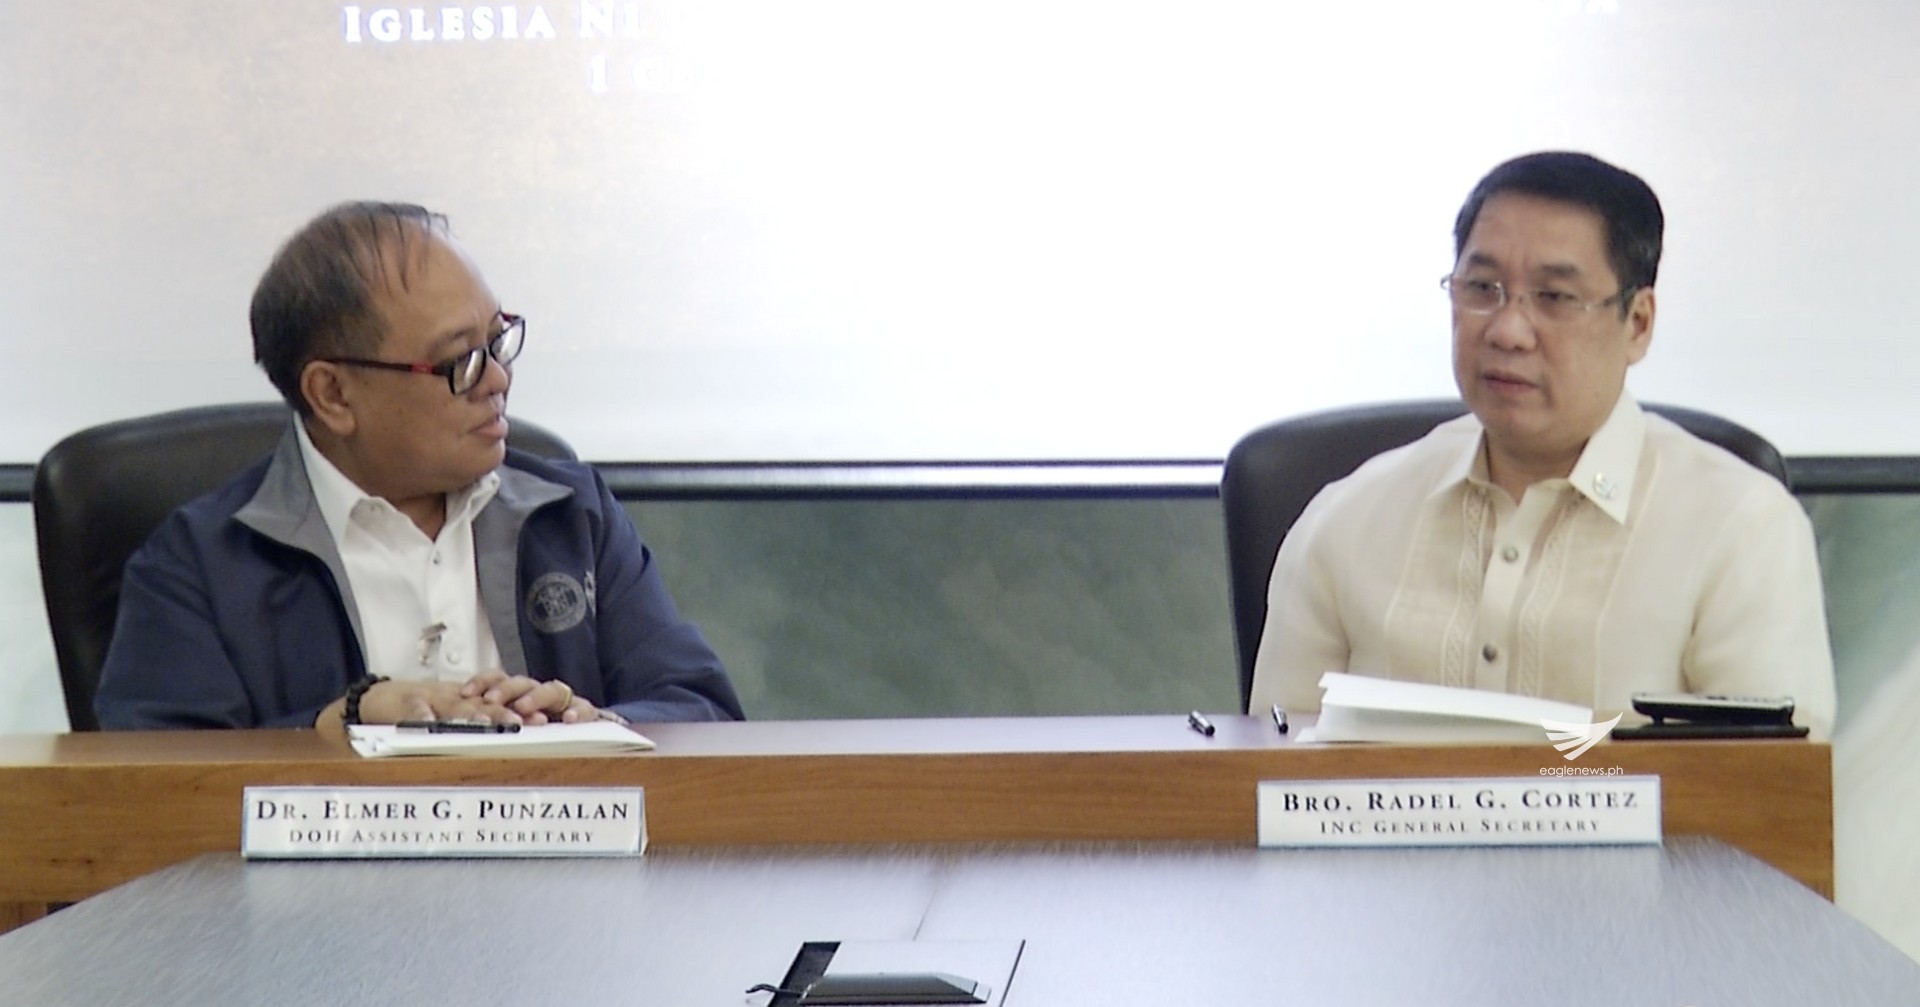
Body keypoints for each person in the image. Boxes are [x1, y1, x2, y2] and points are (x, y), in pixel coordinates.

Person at [1247, 152, 1835, 736]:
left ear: (1637, 323)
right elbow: (1266, 767)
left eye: (1554, 297)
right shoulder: (1346, 519)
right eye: (1482, 288)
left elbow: (1772, 785)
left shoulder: (1741, 528)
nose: (1507, 331)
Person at [94, 202, 743, 732]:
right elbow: (156, 788)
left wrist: (594, 727)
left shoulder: (570, 515)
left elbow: (702, 710)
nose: (498, 379)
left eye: (498, 340)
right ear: (333, 394)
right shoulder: (199, 565)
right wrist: (340, 724)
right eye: (460, 361)